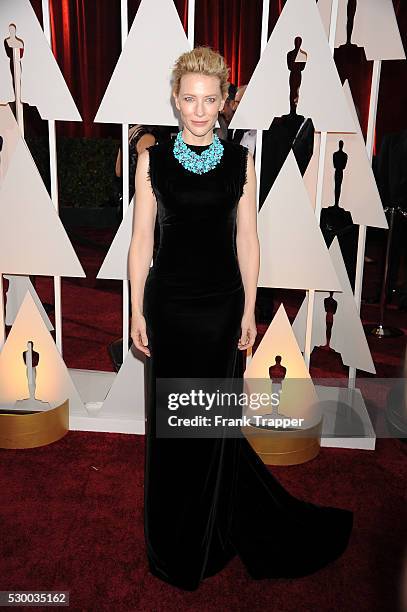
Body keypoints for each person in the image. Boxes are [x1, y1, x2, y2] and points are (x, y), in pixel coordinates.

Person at [128, 46, 353, 592]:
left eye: (210, 100)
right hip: (170, 308)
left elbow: (248, 240)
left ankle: (211, 531)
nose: (199, 111)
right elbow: (140, 242)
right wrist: (133, 308)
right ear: (176, 101)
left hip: (221, 306)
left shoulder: (240, 163)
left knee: (210, 425)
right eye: (189, 100)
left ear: (225, 101)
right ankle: (174, 539)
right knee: (172, 425)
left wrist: (250, 307)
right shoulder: (152, 160)